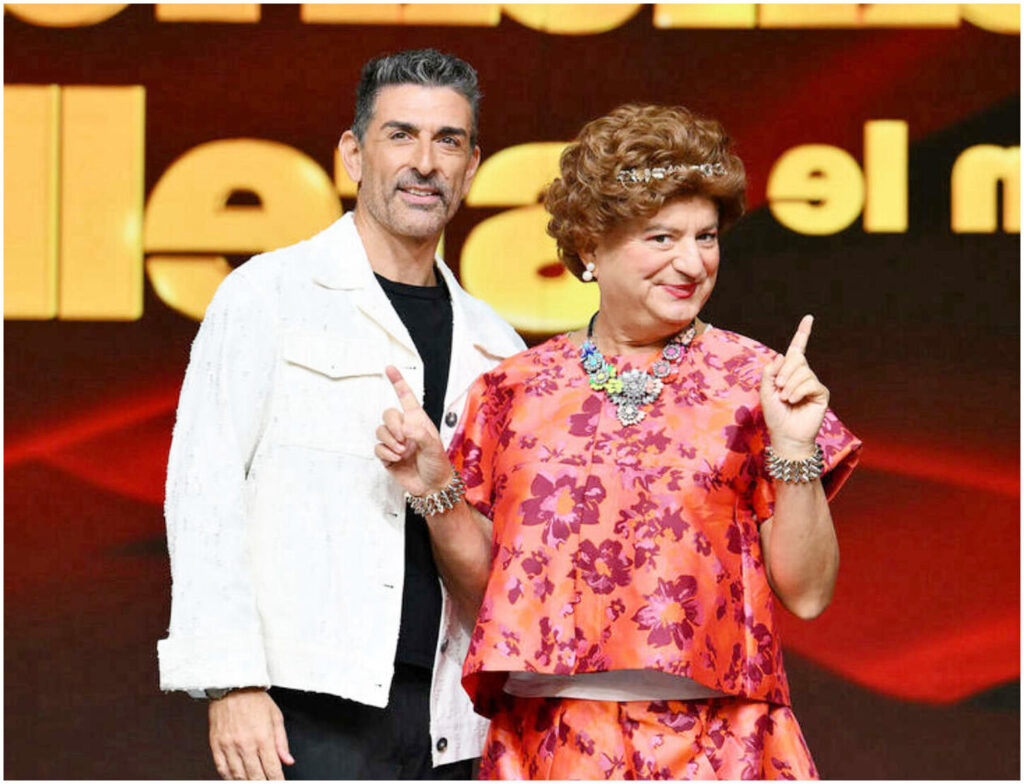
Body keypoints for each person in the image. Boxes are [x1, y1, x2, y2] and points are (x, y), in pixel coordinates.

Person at [374, 103, 862, 779]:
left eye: (706, 237)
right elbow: (488, 594)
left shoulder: (759, 382)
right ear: (589, 248)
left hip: (721, 748)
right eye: (661, 237)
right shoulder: (514, 391)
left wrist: (796, 450)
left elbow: (807, 594)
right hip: (552, 743)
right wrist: (437, 489)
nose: (691, 262)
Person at [158, 49, 524, 780]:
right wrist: (232, 683)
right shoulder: (268, 294)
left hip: (450, 719)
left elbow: (504, 553)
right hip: (306, 707)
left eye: (448, 141)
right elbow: (203, 493)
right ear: (354, 154)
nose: (425, 163)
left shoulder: (498, 345)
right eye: (401, 135)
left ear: (472, 167)